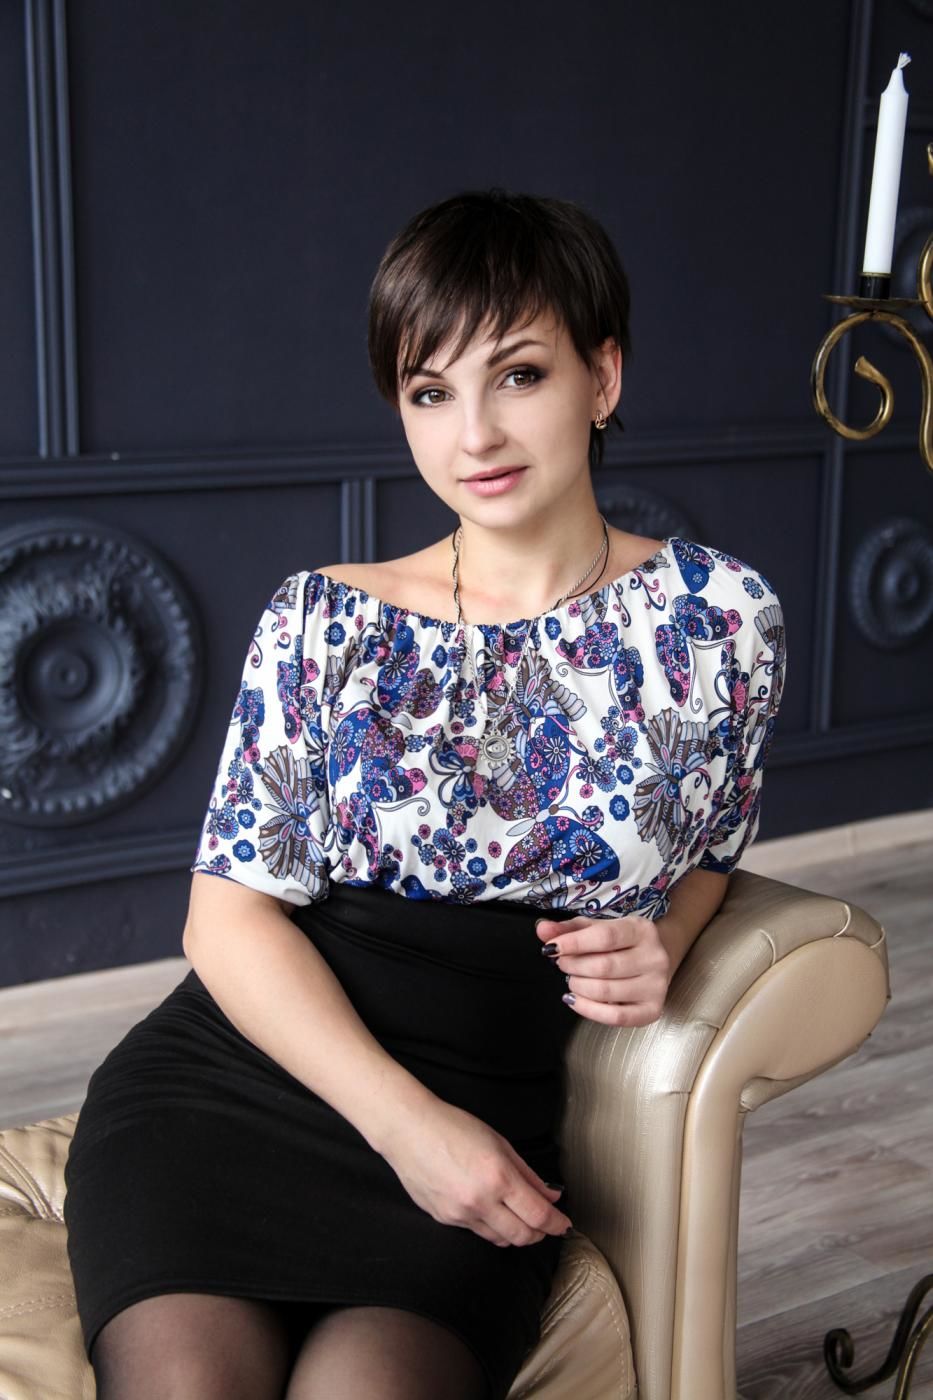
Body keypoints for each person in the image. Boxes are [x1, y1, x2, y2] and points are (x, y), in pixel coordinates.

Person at [63, 187, 786, 1400]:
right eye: (430, 390)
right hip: (236, 1089)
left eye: (519, 374)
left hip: (486, 1109)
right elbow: (224, 921)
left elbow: (708, 848)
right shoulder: (323, 618)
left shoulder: (721, 622)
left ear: (603, 377)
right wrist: (410, 1129)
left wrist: (662, 937)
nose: (475, 435)